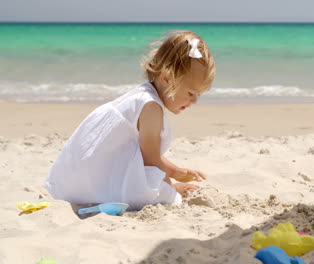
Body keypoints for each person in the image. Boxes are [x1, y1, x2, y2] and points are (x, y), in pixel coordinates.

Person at [45, 30, 216, 209]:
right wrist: (174, 175)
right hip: (93, 184)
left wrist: (172, 174)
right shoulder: (151, 108)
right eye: (190, 93)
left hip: (78, 177)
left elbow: (146, 154)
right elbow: (151, 161)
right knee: (166, 197)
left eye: (198, 95)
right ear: (166, 78)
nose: (194, 101)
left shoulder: (141, 95)